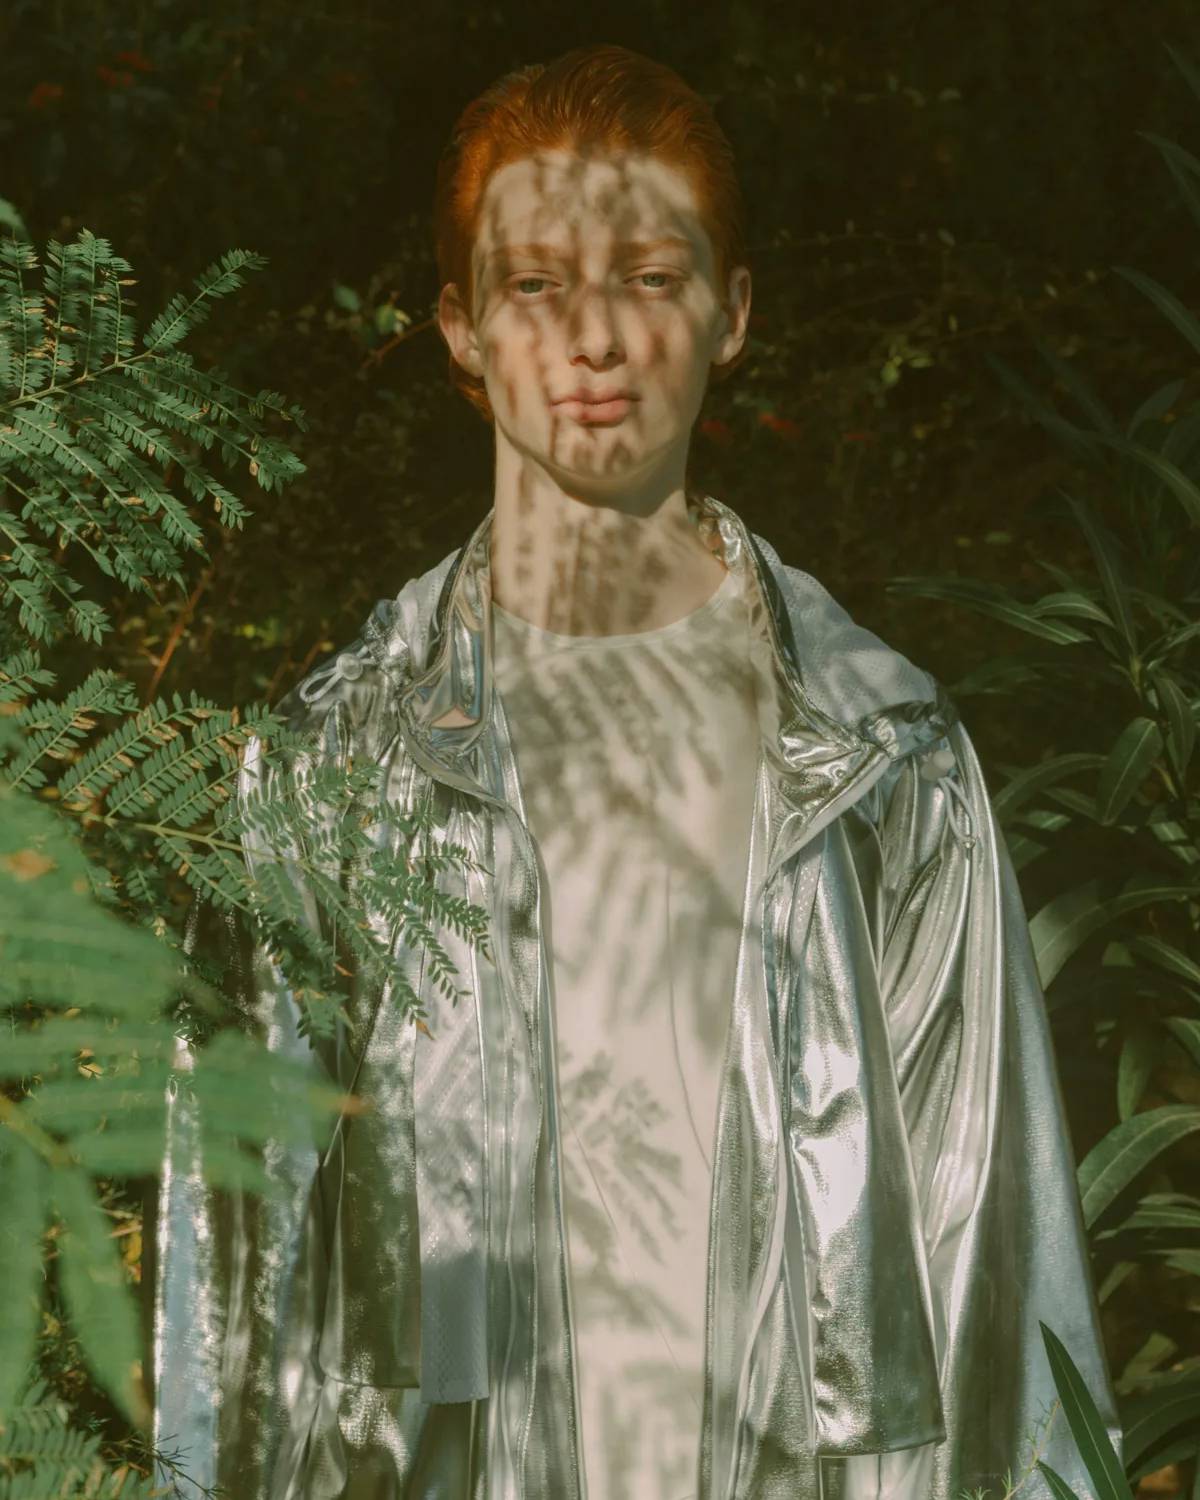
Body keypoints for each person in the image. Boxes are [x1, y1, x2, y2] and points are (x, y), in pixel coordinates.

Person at [150, 42, 1123, 1500]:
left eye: (651, 277)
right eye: (537, 283)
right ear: (461, 328)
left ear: (732, 313)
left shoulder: (881, 755)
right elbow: (236, 1269)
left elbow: (996, 1244)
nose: (594, 338)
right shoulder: (331, 765)